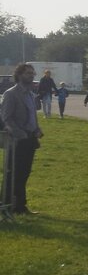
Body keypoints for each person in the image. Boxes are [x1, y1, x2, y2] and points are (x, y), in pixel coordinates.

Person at [1, 63, 43, 215]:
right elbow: (6, 118)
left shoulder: (31, 94)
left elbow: (32, 116)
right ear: (19, 75)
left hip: (30, 139)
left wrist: (37, 129)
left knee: (24, 173)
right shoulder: (11, 94)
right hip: (17, 140)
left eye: (32, 73)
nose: (31, 76)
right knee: (13, 173)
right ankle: (7, 205)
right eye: (27, 73)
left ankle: (20, 206)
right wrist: (21, 134)